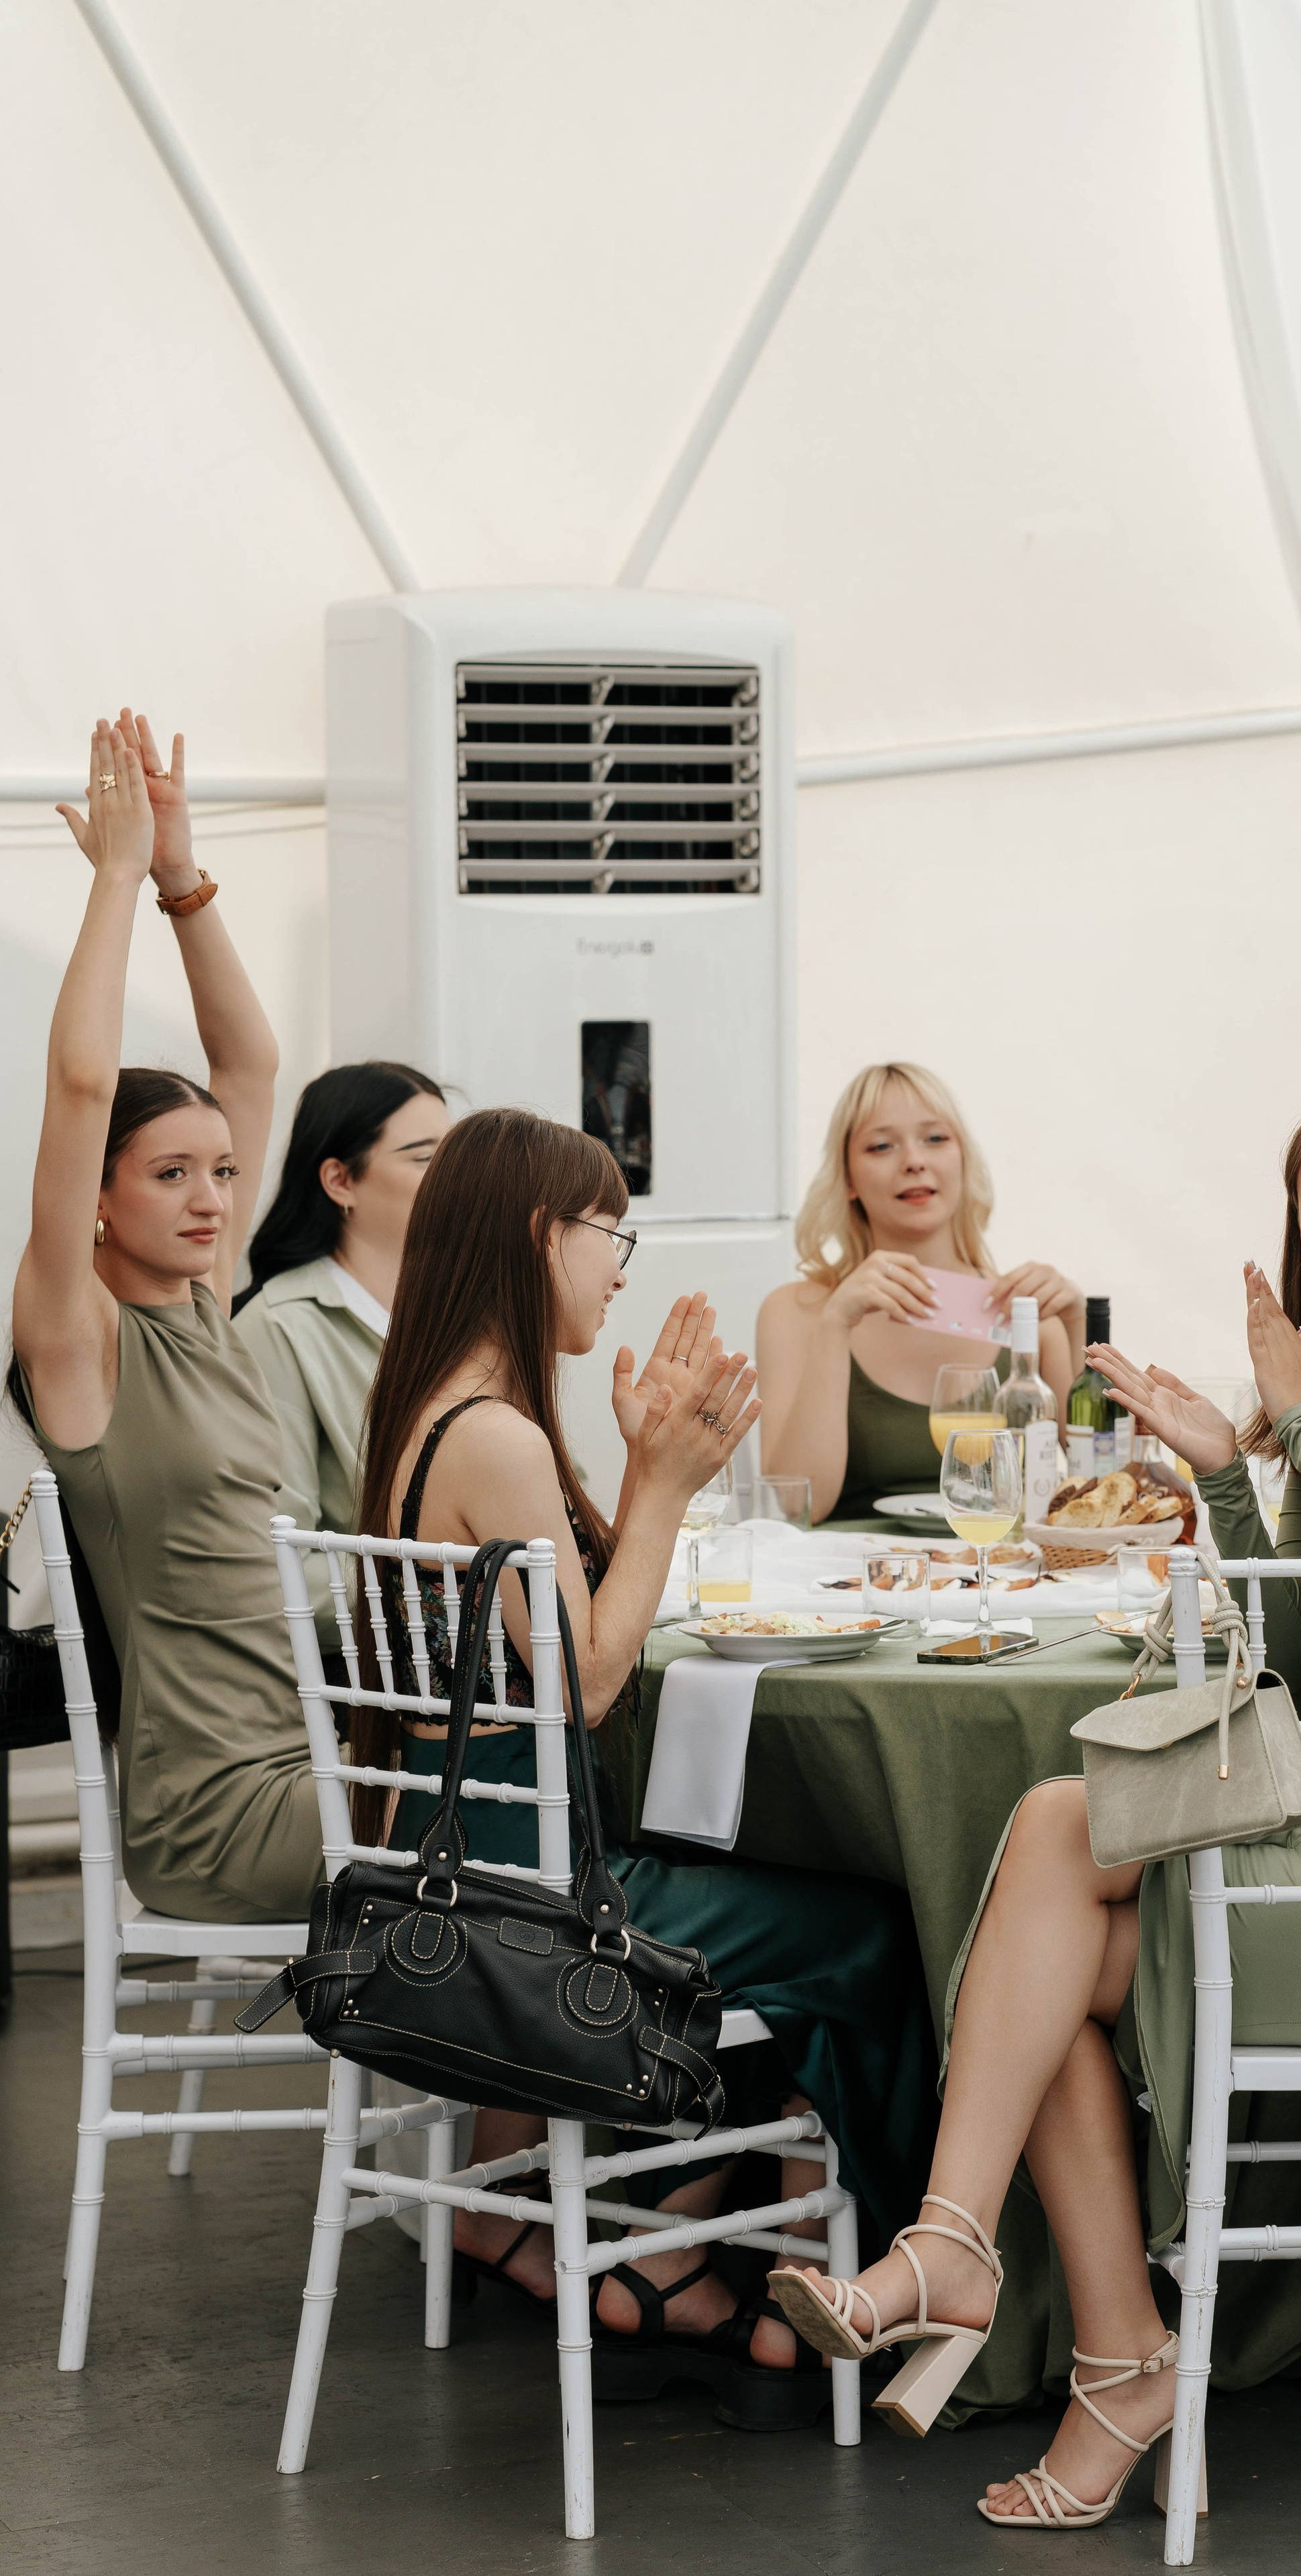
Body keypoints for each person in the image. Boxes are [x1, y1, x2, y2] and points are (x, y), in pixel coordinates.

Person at [769, 1083, 1301, 2528]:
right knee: (1051, 1924)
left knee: (1053, 1830)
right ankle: (1106, 2346)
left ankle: (969, 2271)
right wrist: (1225, 1471)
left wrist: (1296, 1419)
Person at [354, 1106, 939, 2417]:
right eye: (609, 1234)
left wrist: (636, 1467)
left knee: (765, 1875)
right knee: (873, 1925)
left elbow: (564, 1623)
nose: (621, 1267)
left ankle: (681, 2246)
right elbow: (590, 1680)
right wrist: (668, 1490)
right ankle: (815, 2290)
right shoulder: (494, 1438)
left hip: (461, 1874)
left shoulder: (447, 1413)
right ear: (534, 1237)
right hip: (536, 1899)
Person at [5, 714, 321, 1921]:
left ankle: (542, 2095)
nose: (210, 1199)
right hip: (218, 1810)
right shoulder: (79, 1339)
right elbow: (82, 1084)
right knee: (543, 1803)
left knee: (577, 1790)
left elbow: (252, 1059)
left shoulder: (205, 1297)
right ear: (93, 1200)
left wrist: (185, 880)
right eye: (170, 1173)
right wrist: (117, 879)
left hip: (314, 1763)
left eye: (224, 1173)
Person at [756, 1063, 1083, 1522]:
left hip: (1005, 1580)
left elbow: (1109, 1493)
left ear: (964, 1160)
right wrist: (837, 1324)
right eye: (881, 1146)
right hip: (847, 1583)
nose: (913, 1160)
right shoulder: (797, 1312)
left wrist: (1077, 1327)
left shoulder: (1030, 1315)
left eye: (935, 1138)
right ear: (847, 1179)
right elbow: (794, 1509)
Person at [233, 1062, 450, 1638]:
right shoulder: (277, 1328)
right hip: (381, 1684)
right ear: (340, 1181)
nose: (455, 1178)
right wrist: (455, 1593)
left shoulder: (469, 1314)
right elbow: (282, 1567)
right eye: (426, 1158)